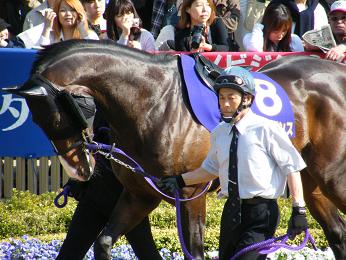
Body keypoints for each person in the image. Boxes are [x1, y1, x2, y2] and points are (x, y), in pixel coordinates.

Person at [158, 66, 309, 260]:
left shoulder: (267, 129)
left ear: (247, 99)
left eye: (231, 97)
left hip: (261, 213)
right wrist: (179, 181)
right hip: (231, 212)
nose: (225, 104)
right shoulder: (220, 132)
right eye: (222, 98)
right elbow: (210, 169)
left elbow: (292, 167)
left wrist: (299, 209)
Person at [57, 111, 162, 260]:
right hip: (96, 194)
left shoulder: (134, 111)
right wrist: (75, 180)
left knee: (147, 254)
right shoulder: (100, 110)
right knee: (68, 255)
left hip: (128, 200)